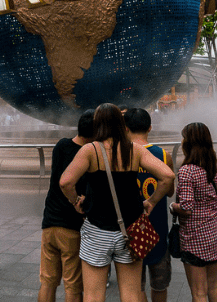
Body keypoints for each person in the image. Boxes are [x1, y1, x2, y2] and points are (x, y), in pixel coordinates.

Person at [60, 103, 174, 302]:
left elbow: (66, 182)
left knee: (94, 295)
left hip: (97, 230)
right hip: (131, 230)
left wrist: (76, 201)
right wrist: (152, 201)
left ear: (98, 123)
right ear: (121, 124)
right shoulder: (134, 150)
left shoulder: (90, 150)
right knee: (131, 294)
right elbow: (168, 176)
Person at [38, 110, 95, 302]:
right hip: (71, 227)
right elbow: (67, 183)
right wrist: (76, 202)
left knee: (47, 281)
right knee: (73, 285)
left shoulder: (61, 145)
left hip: (49, 224)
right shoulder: (88, 155)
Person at [170, 122, 217, 302]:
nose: (182, 140)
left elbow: (186, 207)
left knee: (199, 292)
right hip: (214, 232)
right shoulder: (212, 166)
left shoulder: (187, 171)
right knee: (213, 285)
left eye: (184, 137)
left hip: (195, 238)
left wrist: (173, 207)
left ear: (190, 142)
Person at [124, 108, 174, 302]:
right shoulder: (163, 155)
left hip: (130, 231)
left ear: (126, 129)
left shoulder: (120, 155)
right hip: (158, 230)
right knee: (159, 286)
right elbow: (170, 191)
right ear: (150, 128)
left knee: (136, 287)